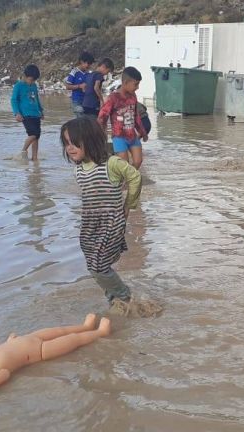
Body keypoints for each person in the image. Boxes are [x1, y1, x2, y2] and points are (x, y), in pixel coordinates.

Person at [61, 117, 161, 317]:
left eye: (74, 142)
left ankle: (124, 295)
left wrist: (128, 206)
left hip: (111, 222)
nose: (69, 148)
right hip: (89, 223)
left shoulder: (112, 163)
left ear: (90, 140)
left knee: (98, 265)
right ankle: (114, 301)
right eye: (66, 144)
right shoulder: (78, 170)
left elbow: (135, 177)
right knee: (93, 264)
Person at [0, 314, 111, 404]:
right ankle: (100, 332)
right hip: (40, 351)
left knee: (59, 330)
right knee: (73, 340)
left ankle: (85, 326)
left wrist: (9, 341)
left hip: (28, 337)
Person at [98, 67, 148, 169]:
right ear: (125, 82)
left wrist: (143, 132)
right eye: (136, 84)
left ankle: (130, 179)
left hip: (132, 136)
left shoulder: (133, 96)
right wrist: (102, 133)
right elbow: (102, 117)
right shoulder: (113, 98)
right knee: (124, 165)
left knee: (138, 161)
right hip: (119, 137)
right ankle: (124, 182)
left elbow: (136, 116)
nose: (137, 87)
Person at [11, 65, 44, 161]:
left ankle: (34, 158)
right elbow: (13, 100)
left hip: (36, 114)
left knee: (36, 137)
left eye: (34, 80)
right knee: (33, 134)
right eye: (30, 79)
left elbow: (37, 99)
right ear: (25, 76)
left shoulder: (34, 85)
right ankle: (23, 151)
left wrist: (41, 111)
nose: (32, 82)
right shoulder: (18, 86)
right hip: (25, 114)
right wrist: (16, 113)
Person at [64, 51, 94, 117]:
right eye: (87, 63)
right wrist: (79, 86)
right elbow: (67, 86)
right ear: (81, 61)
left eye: (90, 64)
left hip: (87, 101)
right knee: (80, 116)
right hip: (77, 101)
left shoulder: (90, 73)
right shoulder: (74, 72)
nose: (88, 66)